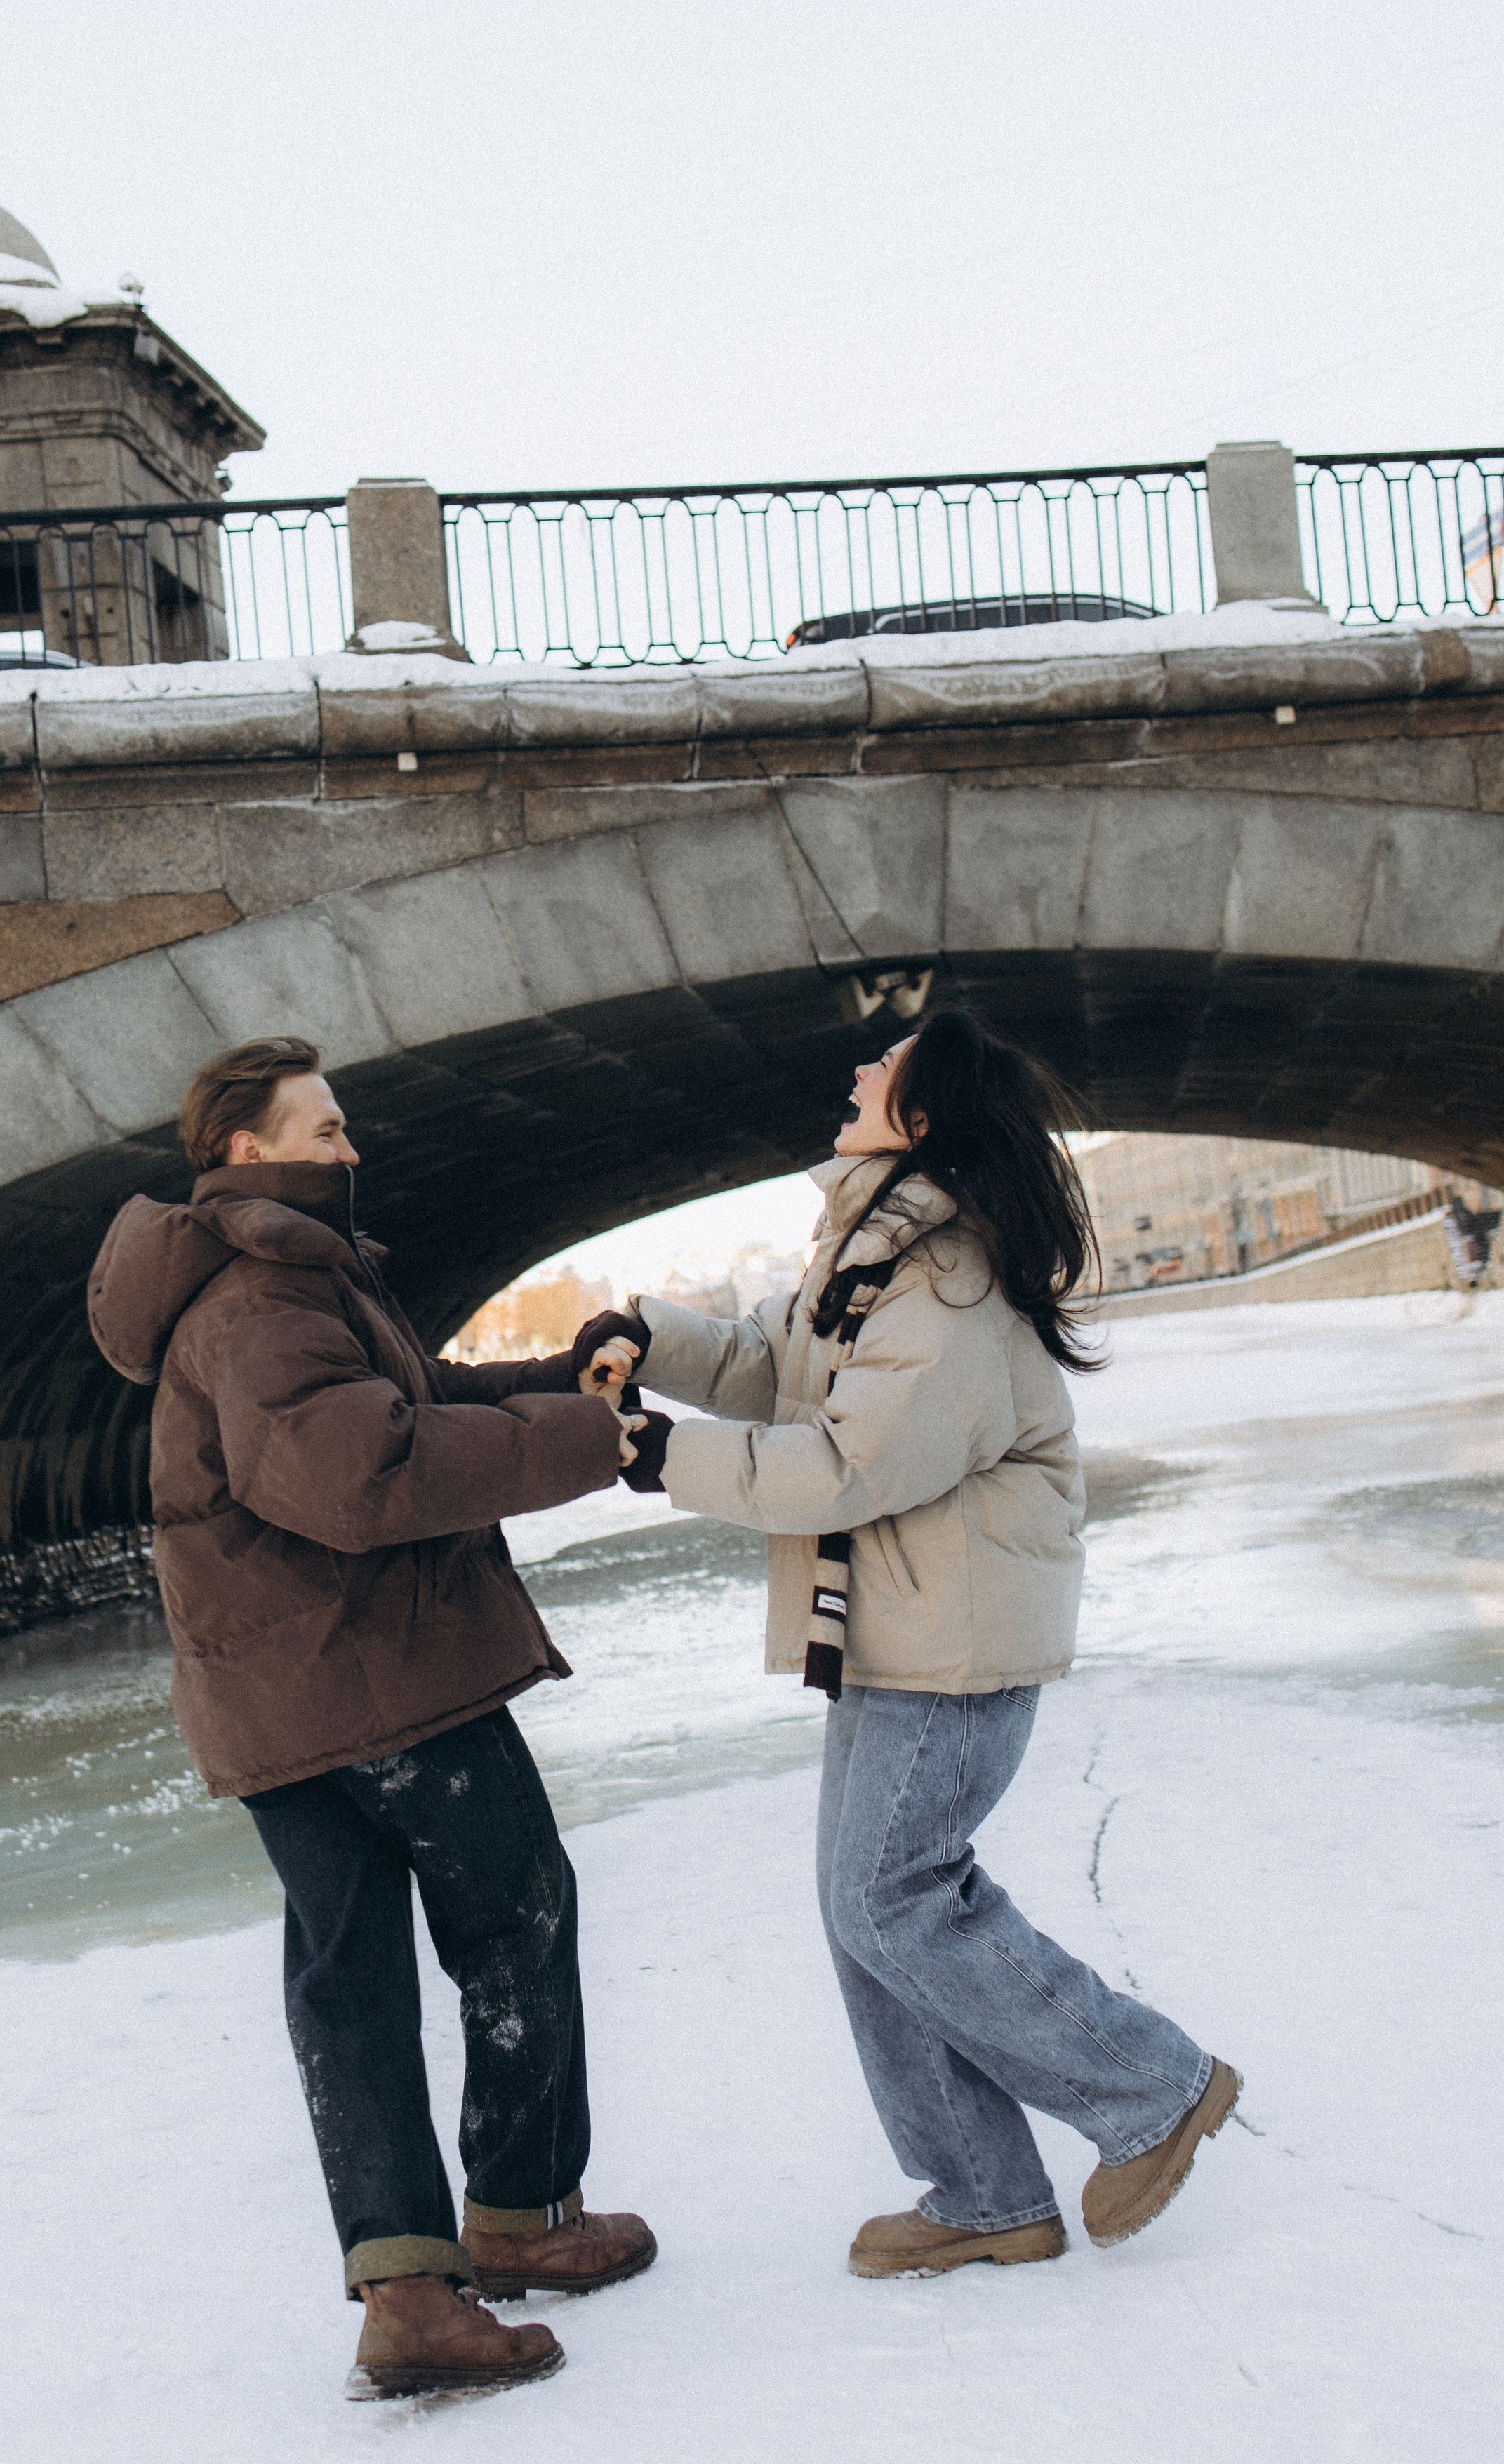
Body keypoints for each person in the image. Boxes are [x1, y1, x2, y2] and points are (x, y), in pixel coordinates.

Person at [575, 1008, 1239, 2277]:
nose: (858, 1070)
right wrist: (652, 1342)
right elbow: (781, 1368)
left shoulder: (948, 1283)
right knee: (867, 1910)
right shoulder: (875, 1250)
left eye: (884, 1066)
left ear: (922, 1120)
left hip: (954, 1643)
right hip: (895, 1629)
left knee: (892, 1899)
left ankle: (1153, 2088)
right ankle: (985, 2193)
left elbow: (847, 1464)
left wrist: (664, 1457)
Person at [87, 1037, 658, 2400]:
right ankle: (515, 2218)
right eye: (325, 1128)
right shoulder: (263, 1291)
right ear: (247, 1150)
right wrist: (592, 1446)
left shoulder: (282, 1278)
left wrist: (560, 1383)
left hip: (277, 1695)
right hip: (371, 1676)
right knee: (516, 1916)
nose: (352, 1147)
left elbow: (411, 1397)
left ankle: (413, 2288)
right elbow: (363, 1471)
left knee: (350, 1976)